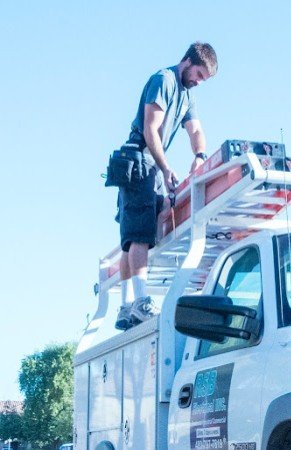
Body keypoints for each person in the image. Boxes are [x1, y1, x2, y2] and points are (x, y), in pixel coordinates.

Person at [114, 42, 218, 330]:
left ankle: (126, 306)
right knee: (139, 235)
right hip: (139, 157)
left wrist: (200, 155)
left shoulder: (187, 95)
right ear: (188, 62)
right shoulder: (165, 80)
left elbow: (196, 130)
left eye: (204, 79)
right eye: (199, 74)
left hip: (150, 163)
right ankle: (140, 301)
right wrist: (165, 168)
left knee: (134, 234)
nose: (199, 82)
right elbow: (151, 129)